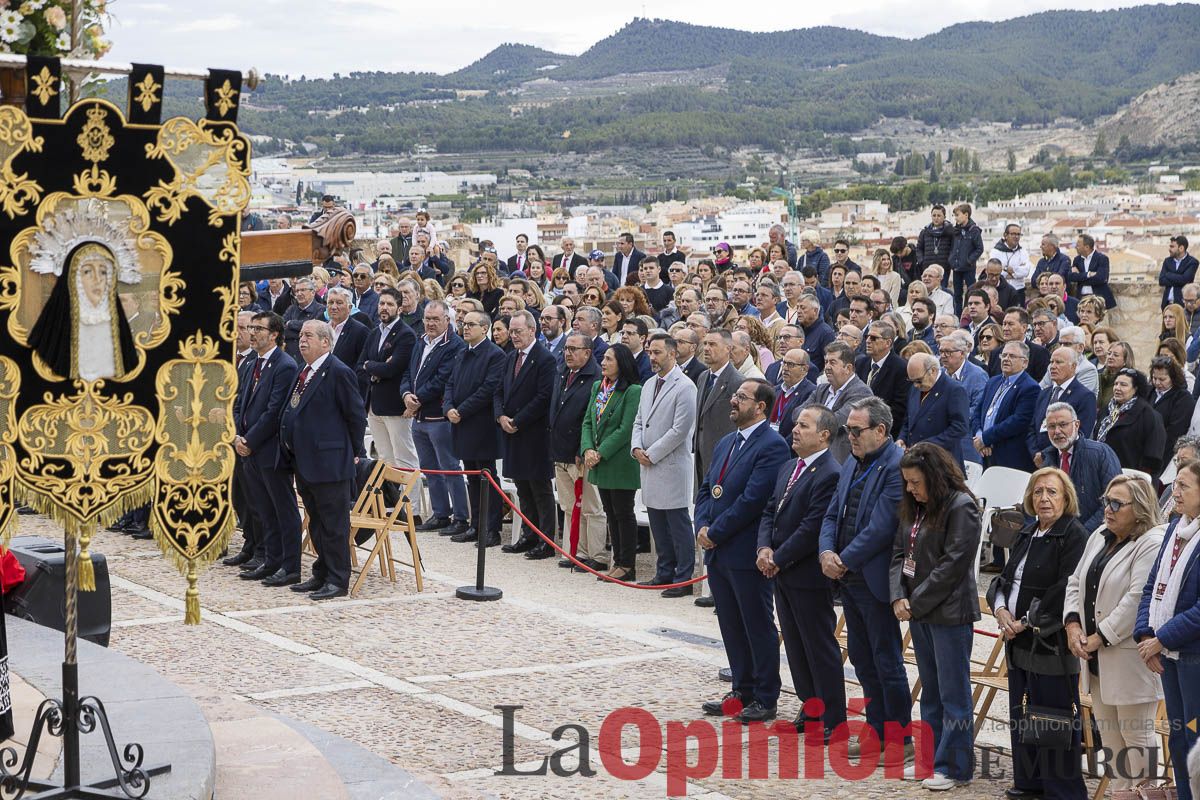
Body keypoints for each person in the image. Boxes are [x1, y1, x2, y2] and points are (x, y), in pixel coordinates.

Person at [818, 397, 912, 761]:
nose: (850, 437)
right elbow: (831, 514)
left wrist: (843, 560)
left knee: (886, 659)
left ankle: (900, 738)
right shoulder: (852, 462)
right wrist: (826, 553)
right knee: (861, 657)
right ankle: (876, 729)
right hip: (848, 577)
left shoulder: (896, 466)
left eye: (856, 431)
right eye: (848, 430)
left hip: (874, 577)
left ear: (881, 430)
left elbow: (881, 528)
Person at [987, 468, 1088, 800]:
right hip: (1017, 641)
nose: (1044, 498)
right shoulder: (1028, 531)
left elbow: (1066, 588)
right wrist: (1001, 609)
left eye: (1052, 492)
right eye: (1038, 491)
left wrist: (1026, 620)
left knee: (1052, 719)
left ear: (1066, 497)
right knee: (1022, 712)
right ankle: (1030, 783)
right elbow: (1004, 578)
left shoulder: (1073, 535)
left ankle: (1061, 791)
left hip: (1050, 642)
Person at [697, 379, 791, 724]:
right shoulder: (727, 441)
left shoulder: (773, 446)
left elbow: (754, 500)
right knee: (731, 624)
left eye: (741, 397)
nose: (733, 401)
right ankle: (742, 689)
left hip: (745, 549)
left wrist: (715, 532)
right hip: (719, 550)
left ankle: (765, 695)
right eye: (735, 396)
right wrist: (701, 525)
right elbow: (707, 488)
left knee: (756, 624)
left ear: (761, 407)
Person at [1063, 474, 1165, 792]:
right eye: (1106, 501)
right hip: (1097, 661)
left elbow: (1136, 600)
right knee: (1111, 742)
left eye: (1117, 504)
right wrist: (1073, 625)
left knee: (1137, 740)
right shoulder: (1100, 534)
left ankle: (1145, 796)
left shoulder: (1151, 542)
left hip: (1129, 661)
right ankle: (1121, 795)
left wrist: (1099, 637)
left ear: (1140, 508)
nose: (1108, 509)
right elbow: (1075, 581)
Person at [891, 443, 981, 789]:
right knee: (930, 691)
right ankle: (929, 759)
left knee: (953, 693)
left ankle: (954, 767)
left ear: (934, 477)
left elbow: (953, 564)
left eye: (916, 482)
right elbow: (899, 553)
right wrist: (898, 595)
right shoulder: (915, 507)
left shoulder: (961, 506)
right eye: (907, 482)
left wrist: (915, 602)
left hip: (949, 613)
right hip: (919, 610)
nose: (911, 489)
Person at [757, 405, 845, 737]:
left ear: (824, 435)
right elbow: (770, 510)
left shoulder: (830, 473)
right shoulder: (789, 466)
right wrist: (764, 548)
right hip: (782, 571)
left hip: (807, 574)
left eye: (804, 426)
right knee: (795, 646)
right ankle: (810, 708)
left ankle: (833, 719)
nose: (795, 430)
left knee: (818, 647)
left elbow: (812, 528)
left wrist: (778, 557)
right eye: (796, 424)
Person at [279, 321, 367, 601]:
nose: (301, 341)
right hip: (304, 461)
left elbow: (356, 416)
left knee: (334, 524)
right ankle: (322, 572)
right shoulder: (304, 370)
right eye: (300, 336)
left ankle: (338, 579)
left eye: (308, 336)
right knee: (316, 521)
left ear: (325, 342)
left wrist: (353, 452)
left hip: (330, 462)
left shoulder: (338, 372)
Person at [1135, 459, 1200, 800]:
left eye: (1184, 486)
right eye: (1175, 484)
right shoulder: (1174, 527)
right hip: (1168, 654)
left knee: (1195, 737)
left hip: (1192, 655)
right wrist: (1146, 634)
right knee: (1178, 737)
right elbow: (1151, 587)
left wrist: (1161, 639)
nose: (1175, 492)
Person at [233, 312, 302, 586]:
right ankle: (271, 560)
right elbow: (240, 402)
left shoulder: (284, 365)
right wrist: (238, 436)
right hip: (248, 448)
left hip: (270, 450)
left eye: (258, 328)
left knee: (282, 510)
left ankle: (290, 566)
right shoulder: (253, 363)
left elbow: (274, 411)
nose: (252, 332)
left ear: (274, 334)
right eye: (250, 327)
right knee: (263, 509)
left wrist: (249, 441)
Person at [633, 333, 699, 595]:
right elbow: (640, 420)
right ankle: (664, 572)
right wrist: (636, 447)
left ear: (672, 353)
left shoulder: (685, 386)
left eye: (657, 352)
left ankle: (683, 578)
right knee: (658, 524)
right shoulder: (649, 383)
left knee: (677, 524)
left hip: (670, 464)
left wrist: (652, 453)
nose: (652, 357)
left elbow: (680, 430)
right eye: (650, 352)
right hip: (648, 462)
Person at [401, 300, 469, 536]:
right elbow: (408, 372)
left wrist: (417, 398)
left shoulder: (454, 345)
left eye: (435, 319)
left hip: (438, 416)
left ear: (447, 320)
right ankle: (440, 513)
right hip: (419, 416)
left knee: (449, 468)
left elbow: (442, 379)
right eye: (427, 319)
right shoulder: (421, 341)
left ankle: (461, 517)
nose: (430, 323)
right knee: (429, 468)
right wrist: (406, 393)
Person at [495, 311, 557, 559]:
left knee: (540, 489)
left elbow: (544, 396)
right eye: (511, 331)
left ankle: (545, 540)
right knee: (522, 487)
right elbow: (498, 391)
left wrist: (517, 421)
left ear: (532, 330)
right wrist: (500, 416)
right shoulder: (511, 357)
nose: (513, 336)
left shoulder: (545, 359)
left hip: (534, 434)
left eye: (518, 331)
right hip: (511, 432)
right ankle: (528, 535)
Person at [358, 288, 422, 522]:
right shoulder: (374, 333)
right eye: (381, 303)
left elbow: (394, 368)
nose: (384, 308)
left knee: (404, 457)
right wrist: (374, 367)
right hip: (374, 404)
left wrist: (372, 366)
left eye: (389, 304)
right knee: (385, 458)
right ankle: (392, 505)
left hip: (396, 405)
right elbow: (360, 366)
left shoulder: (406, 335)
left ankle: (412, 511)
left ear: (399, 308)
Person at [580, 343, 643, 581]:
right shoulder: (599, 386)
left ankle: (627, 564)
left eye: (609, 359)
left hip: (619, 460)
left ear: (622, 363)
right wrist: (588, 448)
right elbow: (588, 421)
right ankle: (618, 561)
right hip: (599, 460)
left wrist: (600, 453)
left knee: (623, 512)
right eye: (604, 358)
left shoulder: (633, 391)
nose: (603, 363)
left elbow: (625, 428)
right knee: (610, 512)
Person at [444, 311, 505, 546]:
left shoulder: (495, 355)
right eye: (463, 323)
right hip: (461, 424)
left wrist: (461, 410)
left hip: (482, 426)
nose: (465, 327)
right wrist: (448, 407)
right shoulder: (462, 352)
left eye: (471, 324)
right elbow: (450, 383)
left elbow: (488, 389)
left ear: (484, 328)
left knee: (486, 477)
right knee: (471, 476)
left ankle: (491, 528)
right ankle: (476, 525)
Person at [548, 331, 606, 571]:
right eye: (566, 349)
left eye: (573, 349)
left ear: (587, 352)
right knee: (569, 506)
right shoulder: (563, 371)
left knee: (591, 507)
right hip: (560, 451)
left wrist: (583, 449)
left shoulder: (596, 378)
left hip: (581, 454)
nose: (568, 353)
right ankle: (576, 552)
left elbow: (591, 419)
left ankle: (597, 555)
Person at [1038, 402, 1124, 534]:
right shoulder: (1048, 460)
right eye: (1051, 426)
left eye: (1063, 425)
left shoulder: (1099, 453)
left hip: (1095, 534)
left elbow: (1114, 500)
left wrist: (1082, 533)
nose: (1057, 431)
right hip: (1058, 535)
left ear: (1076, 425)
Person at [973, 340, 1040, 472]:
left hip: (1010, 457)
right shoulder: (993, 381)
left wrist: (986, 438)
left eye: (1012, 356)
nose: (1006, 359)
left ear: (1025, 363)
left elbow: (1018, 421)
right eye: (1004, 355)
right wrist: (979, 435)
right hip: (986, 452)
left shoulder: (1030, 387)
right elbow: (978, 412)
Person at [802, 341, 872, 463]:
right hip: (813, 455)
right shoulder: (821, 389)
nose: (827, 367)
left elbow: (836, 421)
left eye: (832, 362)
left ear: (848, 368)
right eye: (826, 362)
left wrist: (808, 421)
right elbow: (798, 413)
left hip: (839, 459)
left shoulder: (861, 392)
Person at [896, 353, 970, 469]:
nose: (916, 385)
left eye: (919, 380)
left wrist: (926, 445)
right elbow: (908, 420)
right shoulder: (915, 389)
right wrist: (902, 439)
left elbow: (960, 428)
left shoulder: (954, 390)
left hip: (941, 463)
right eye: (912, 381)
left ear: (933, 371)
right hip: (916, 461)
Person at [693, 329, 745, 487]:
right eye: (705, 344)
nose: (706, 348)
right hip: (701, 454)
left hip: (722, 456)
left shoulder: (737, 381)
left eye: (712, 344)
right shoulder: (703, 377)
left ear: (728, 348)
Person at [1028, 346, 1098, 458]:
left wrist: (1047, 455)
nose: (1053, 366)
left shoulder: (1085, 396)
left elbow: (1080, 434)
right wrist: (1035, 453)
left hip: (1065, 459)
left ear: (1073, 366)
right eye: (1051, 362)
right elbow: (1032, 428)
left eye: (1059, 362)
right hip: (1037, 459)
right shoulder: (1044, 393)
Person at [1096, 368, 1167, 477]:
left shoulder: (1149, 415)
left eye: (1123, 385)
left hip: (1130, 477)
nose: (1117, 388)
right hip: (1102, 471)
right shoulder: (1107, 410)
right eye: (1116, 384)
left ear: (1135, 389)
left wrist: (1140, 479)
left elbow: (1153, 455)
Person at [939, 330, 989, 466]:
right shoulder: (939, 373)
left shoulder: (977, 375)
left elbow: (978, 407)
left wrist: (950, 417)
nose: (943, 356)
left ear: (962, 353)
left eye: (948, 352)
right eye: (941, 351)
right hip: (941, 436)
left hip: (965, 438)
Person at [854, 321, 907, 437]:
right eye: (867, 336)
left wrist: (873, 428)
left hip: (881, 431)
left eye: (873, 338)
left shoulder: (901, 368)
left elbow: (899, 408)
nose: (868, 341)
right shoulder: (860, 363)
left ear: (888, 342)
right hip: (856, 427)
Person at [1152, 356, 1196, 474]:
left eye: (1162, 379)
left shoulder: (1183, 398)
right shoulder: (1150, 392)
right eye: (1154, 378)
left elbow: (1174, 432)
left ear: (1173, 377)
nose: (1157, 383)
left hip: (1164, 454)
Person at [770, 348, 816, 441]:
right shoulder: (775, 390)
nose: (785, 368)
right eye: (784, 363)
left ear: (804, 369)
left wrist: (781, 445)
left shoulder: (811, 392)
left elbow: (801, 426)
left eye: (791, 364)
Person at [281, 277, 325, 364]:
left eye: (303, 290)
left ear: (312, 292)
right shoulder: (291, 309)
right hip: (289, 357)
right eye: (297, 291)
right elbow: (281, 328)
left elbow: (314, 331)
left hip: (309, 359)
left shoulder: (321, 310)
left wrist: (290, 323)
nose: (299, 293)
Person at [1069, 233, 1115, 311]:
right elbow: (1072, 277)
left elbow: (1101, 278)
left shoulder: (1102, 258)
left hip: (1099, 299)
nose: (1076, 247)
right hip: (1081, 299)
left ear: (1087, 247)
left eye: (1078, 245)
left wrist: (1080, 277)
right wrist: (1088, 274)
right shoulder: (1077, 260)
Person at [990, 223, 1033, 306]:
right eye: (1013, 234)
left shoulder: (1023, 252)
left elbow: (1026, 271)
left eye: (1018, 234)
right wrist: (1012, 271)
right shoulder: (996, 252)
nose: (1016, 237)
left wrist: (1007, 270)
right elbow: (994, 271)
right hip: (1001, 290)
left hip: (1019, 290)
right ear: (1005, 235)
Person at [1159, 235, 1198, 308]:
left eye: (1172, 247)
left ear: (1181, 248)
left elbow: (1185, 280)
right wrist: (1179, 278)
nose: (1169, 249)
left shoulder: (1192, 262)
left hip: (1182, 305)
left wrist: (1168, 274)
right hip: (1167, 305)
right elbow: (1161, 280)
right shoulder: (1167, 261)